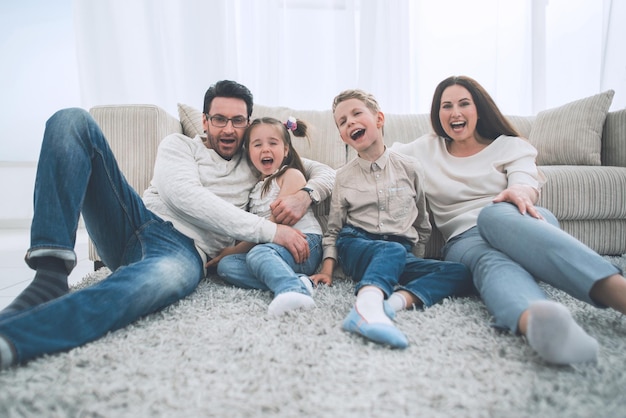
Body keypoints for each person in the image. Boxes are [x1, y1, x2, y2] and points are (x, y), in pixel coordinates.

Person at [0, 80, 334, 371]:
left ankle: (16, 338)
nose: (228, 129)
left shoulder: (258, 157)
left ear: (248, 124)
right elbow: (182, 195)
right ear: (205, 121)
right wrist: (272, 230)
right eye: (219, 119)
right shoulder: (179, 145)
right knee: (71, 120)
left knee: (148, 286)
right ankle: (50, 276)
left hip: (184, 250)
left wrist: (304, 195)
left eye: (237, 121)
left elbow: (326, 172)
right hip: (134, 222)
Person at [392, 75, 626, 365]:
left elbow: (525, 181)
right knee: (491, 263)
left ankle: (619, 293)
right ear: (438, 114)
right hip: (466, 240)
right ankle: (540, 326)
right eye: (446, 106)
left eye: (464, 103)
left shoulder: (511, 145)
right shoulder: (424, 149)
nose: (455, 112)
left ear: (479, 109)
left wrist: (518, 190)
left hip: (520, 223)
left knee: (493, 215)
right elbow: (379, 158)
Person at [311, 89, 472, 349]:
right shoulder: (343, 176)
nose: (350, 122)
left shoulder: (410, 167)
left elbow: (422, 223)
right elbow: (333, 230)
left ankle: (389, 305)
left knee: (460, 272)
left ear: (379, 119)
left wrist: (412, 263)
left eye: (356, 113)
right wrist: (327, 270)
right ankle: (364, 309)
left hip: (398, 252)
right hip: (356, 245)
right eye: (342, 122)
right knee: (392, 249)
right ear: (343, 136)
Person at [207, 117, 323, 316]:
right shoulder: (254, 187)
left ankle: (293, 290)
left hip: (304, 244)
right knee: (227, 266)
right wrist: (228, 255)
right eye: (257, 144)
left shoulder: (291, 175)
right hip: (272, 249)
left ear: (286, 150)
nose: (265, 149)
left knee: (256, 254)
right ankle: (297, 280)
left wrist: (233, 249)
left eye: (273, 143)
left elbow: (273, 226)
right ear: (248, 152)